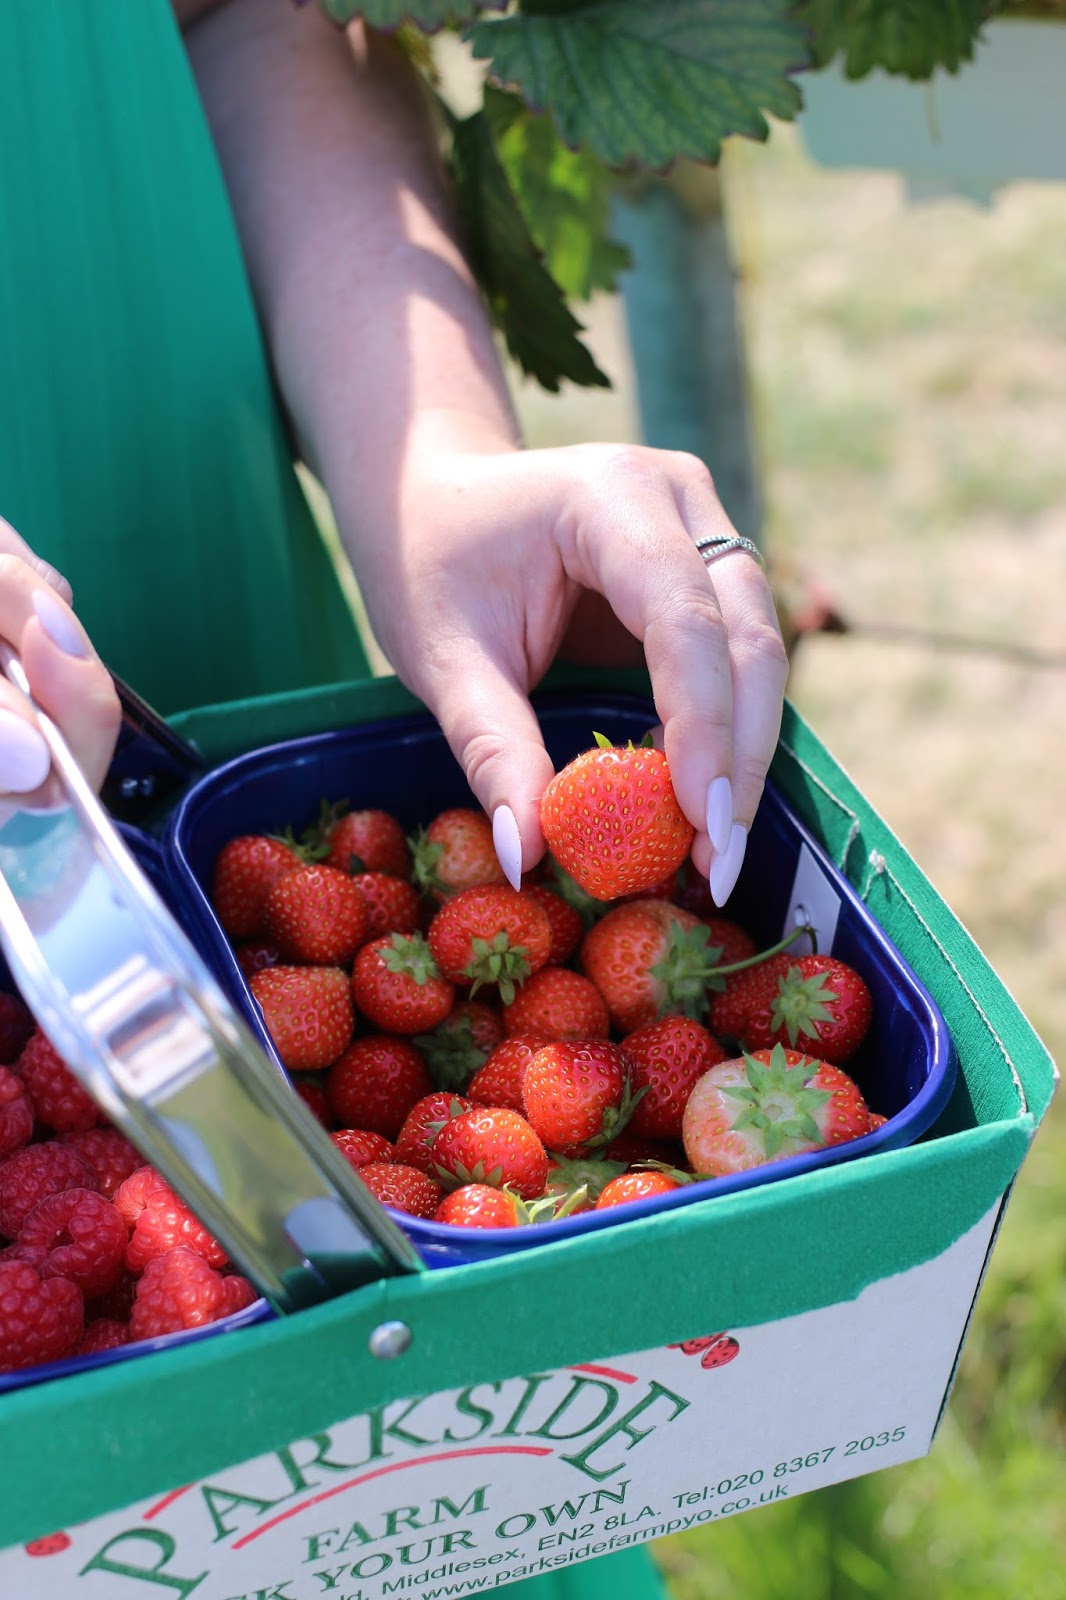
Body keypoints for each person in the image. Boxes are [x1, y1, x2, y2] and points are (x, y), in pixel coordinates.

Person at [0, 3, 787, 1594]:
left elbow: (240, 15)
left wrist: (429, 460)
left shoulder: (341, 921)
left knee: (400, 1460)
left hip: (205, 599)